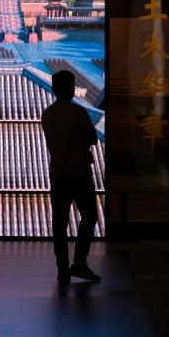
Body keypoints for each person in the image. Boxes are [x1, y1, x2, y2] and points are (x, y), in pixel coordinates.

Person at [41, 70, 101, 284]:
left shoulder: (48, 114)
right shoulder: (78, 112)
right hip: (80, 172)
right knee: (89, 216)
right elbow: (92, 139)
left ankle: (62, 268)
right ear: (72, 89)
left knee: (60, 223)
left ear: (54, 88)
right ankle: (79, 262)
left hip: (58, 174)